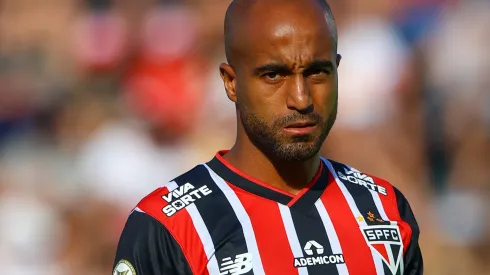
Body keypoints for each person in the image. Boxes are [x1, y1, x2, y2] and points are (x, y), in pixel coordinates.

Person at [112, 0, 423, 274]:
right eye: (274, 75)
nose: (301, 99)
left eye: (318, 72)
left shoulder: (384, 208)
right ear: (231, 82)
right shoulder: (168, 227)